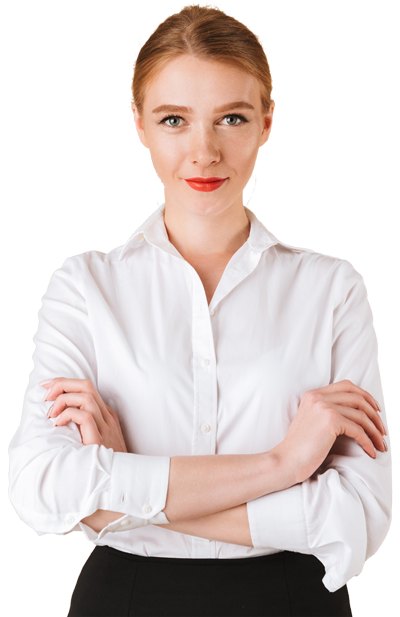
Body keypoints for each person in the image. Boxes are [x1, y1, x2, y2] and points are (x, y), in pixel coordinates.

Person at [8, 3, 392, 615]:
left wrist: (123, 490)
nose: (204, 151)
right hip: (125, 598)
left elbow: (359, 515)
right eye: (174, 120)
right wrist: (283, 464)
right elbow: (40, 487)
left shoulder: (331, 290)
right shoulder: (83, 288)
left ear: (266, 125)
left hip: (292, 600)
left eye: (231, 118)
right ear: (139, 126)